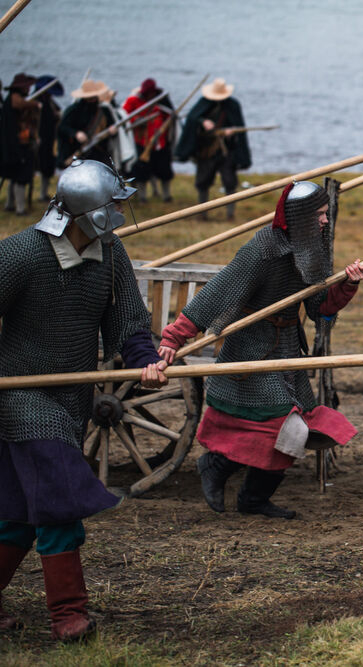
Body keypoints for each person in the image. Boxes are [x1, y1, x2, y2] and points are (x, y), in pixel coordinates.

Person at [0, 159, 168, 641]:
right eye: (114, 204)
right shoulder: (21, 255)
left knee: (16, 516)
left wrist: (146, 361)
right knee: (58, 502)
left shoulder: (110, 254)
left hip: (71, 400)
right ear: (91, 212)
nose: (119, 211)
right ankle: (68, 616)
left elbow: (129, 324)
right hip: (20, 396)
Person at [158, 181, 363, 520]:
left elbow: (319, 309)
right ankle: (216, 464)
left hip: (285, 349)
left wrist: (348, 284)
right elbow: (218, 293)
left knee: (295, 431)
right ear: (299, 218)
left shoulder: (312, 249)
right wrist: (175, 337)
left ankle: (253, 498)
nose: (326, 221)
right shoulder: (263, 248)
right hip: (250, 349)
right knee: (286, 426)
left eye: (326, 214)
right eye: (320, 215)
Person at [174, 78, 251, 220]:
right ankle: (202, 213)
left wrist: (231, 131)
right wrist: (202, 121)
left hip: (226, 150)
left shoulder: (233, 105)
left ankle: (230, 214)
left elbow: (238, 126)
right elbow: (192, 119)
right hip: (206, 150)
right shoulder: (203, 104)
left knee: (229, 182)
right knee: (203, 182)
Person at [123, 78, 175, 202]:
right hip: (141, 142)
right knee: (141, 171)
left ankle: (166, 195)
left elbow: (170, 115)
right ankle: (142, 197)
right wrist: (139, 120)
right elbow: (125, 117)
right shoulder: (133, 101)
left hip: (160, 142)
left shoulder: (161, 101)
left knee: (164, 169)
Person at [1, 73, 40, 215]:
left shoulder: (11, 99)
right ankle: (20, 208)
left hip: (13, 144)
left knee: (14, 176)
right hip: (17, 145)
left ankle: (10, 204)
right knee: (20, 177)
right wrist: (35, 104)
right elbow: (20, 104)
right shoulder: (14, 99)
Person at [56, 79, 118, 167]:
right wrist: (76, 134)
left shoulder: (104, 111)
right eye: (90, 98)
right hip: (78, 150)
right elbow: (62, 128)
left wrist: (113, 131)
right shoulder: (74, 110)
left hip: (99, 152)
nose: (92, 100)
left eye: (94, 98)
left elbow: (111, 126)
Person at [32, 75, 64, 202]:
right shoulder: (35, 102)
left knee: (47, 166)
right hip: (39, 139)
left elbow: (56, 113)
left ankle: (43, 194)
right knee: (31, 169)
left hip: (48, 139)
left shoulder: (48, 102)